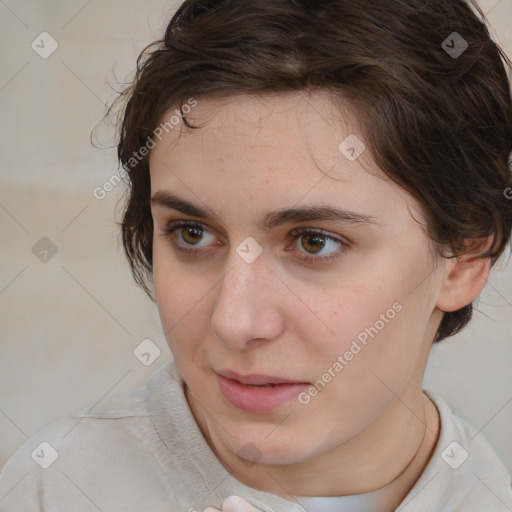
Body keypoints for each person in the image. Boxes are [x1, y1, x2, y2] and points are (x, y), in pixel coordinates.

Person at [1, 0, 512, 510]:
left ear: (465, 256)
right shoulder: (53, 488)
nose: (233, 322)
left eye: (315, 241)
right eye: (193, 233)